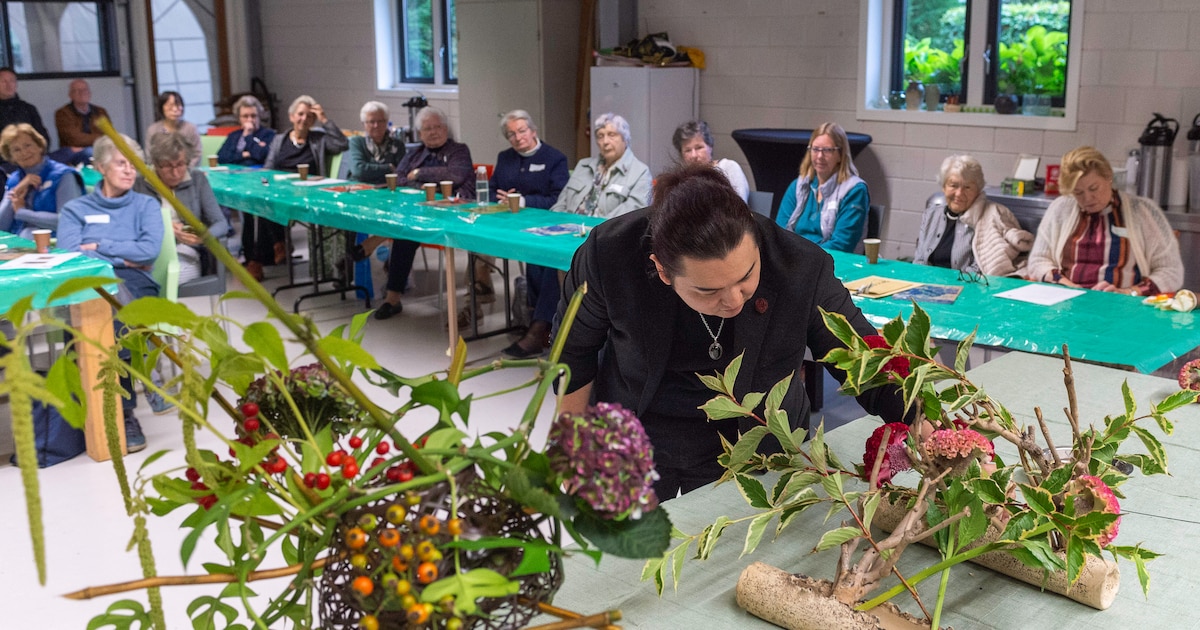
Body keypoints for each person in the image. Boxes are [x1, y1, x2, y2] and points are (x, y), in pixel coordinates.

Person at [556, 164, 910, 497]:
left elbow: (861, 354)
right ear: (663, 271)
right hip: (640, 429)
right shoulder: (610, 253)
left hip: (756, 444)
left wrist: (919, 414)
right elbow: (573, 351)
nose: (733, 300)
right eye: (708, 291)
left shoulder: (799, 265)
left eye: (746, 277)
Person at [57, 134, 163, 453]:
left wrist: (101, 247)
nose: (130, 170)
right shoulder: (76, 209)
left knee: (115, 311)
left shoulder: (146, 205)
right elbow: (71, 253)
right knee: (105, 303)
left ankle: (125, 412)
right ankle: (147, 376)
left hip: (136, 281)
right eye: (121, 163)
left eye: (134, 164)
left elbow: (148, 252)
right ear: (101, 167)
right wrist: (121, 257)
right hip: (89, 282)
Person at [1027, 146, 1184, 295]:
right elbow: (1038, 261)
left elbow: (1170, 272)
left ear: (1108, 177)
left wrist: (1129, 292)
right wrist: (1064, 284)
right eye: (1078, 192)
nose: (1087, 198)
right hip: (1067, 303)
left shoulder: (1142, 211)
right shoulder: (1061, 208)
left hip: (1123, 307)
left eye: (1094, 188)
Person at [374, 106, 474, 320]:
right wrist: (426, 182)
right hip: (420, 214)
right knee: (405, 232)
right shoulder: (414, 152)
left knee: (405, 228)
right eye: (427, 128)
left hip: (455, 213)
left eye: (437, 127)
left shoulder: (458, 150)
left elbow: (456, 175)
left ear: (446, 129)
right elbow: (400, 178)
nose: (433, 132)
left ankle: (369, 246)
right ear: (420, 134)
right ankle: (392, 299)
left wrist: (419, 174)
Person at [489, 109, 570, 357]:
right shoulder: (505, 158)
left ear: (533, 131)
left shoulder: (554, 158)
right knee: (532, 259)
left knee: (545, 260)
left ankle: (539, 328)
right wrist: (502, 200)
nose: (517, 137)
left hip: (549, 225)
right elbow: (493, 191)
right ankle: (538, 323)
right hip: (512, 225)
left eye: (522, 131)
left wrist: (522, 201)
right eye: (511, 134)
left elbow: (559, 198)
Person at [249, 95, 348, 281]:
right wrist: (262, 183)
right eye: (301, 114)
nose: (305, 119)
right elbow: (268, 168)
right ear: (292, 116)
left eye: (310, 116)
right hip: (281, 188)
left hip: (308, 192)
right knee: (263, 203)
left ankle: (263, 256)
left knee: (269, 207)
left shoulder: (318, 139)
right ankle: (277, 245)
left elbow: (343, 143)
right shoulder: (280, 140)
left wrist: (325, 119)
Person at [912, 155, 1034, 276]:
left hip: (967, 288)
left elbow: (982, 268)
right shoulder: (931, 215)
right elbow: (919, 261)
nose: (959, 193)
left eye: (967, 187)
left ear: (978, 190)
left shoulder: (993, 215)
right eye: (953, 185)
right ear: (944, 187)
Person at [134, 132, 231, 284]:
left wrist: (203, 236)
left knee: (170, 277)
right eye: (167, 166)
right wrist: (165, 229)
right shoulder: (139, 184)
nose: (175, 172)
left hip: (186, 251)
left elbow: (221, 223)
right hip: (148, 251)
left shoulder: (197, 180)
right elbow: (130, 225)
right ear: (155, 163)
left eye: (180, 164)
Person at [775, 122, 869, 253]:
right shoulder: (797, 186)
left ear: (840, 155)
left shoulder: (855, 190)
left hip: (832, 263)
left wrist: (800, 256)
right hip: (795, 260)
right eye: (815, 149)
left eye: (827, 150)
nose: (820, 156)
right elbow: (779, 233)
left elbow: (841, 245)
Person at [551, 113, 650, 218]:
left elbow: (631, 217)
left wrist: (597, 230)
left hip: (604, 232)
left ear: (625, 139)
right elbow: (560, 205)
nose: (605, 142)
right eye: (600, 136)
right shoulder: (583, 166)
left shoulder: (640, 172)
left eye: (612, 135)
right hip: (567, 229)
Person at [0, 123, 84, 239]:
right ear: (10, 156)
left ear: (39, 146)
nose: (24, 152)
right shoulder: (15, 179)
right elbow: (1, 226)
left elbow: (68, 220)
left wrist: (22, 213)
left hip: (56, 244)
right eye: (16, 150)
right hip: (21, 244)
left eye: (28, 145)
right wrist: (17, 190)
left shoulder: (63, 175)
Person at [672, 120, 749, 201]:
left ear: (710, 146)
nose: (693, 155)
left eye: (699, 148)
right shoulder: (681, 178)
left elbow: (739, 205)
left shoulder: (728, 167)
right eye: (688, 150)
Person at [0, 67, 49, 174]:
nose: (9, 85)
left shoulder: (28, 109)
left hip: (34, 159)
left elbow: (42, 137)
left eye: (12, 81)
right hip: (6, 163)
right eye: (3, 81)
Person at [345, 101, 406, 184]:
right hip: (359, 189)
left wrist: (370, 170)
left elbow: (401, 173)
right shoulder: (357, 142)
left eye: (380, 121)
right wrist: (389, 168)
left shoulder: (397, 145)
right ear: (364, 124)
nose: (376, 125)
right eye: (372, 121)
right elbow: (358, 170)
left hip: (386, 191)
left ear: (387, 122)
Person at [51, 79, 109, 166]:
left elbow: (108, 135)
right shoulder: (62, 113)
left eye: (84, 90)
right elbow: (74, 139)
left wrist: (96, 141)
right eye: (77, 91)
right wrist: (99, 138)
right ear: (70, 95)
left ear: (90, 93)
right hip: (72, 152)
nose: (82, 93)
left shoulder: (100, 112)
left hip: (98, 148)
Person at [146, 91, 202, 167]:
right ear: (161, 108)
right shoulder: (153, 130)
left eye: (178, 105)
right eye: (170, 106)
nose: (175, 109)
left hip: (187, 171)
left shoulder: (191, 128)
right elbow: (149, 156)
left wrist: (185, 169)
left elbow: (197, 154)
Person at [216, 95, 275, 167]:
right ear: (239, 118)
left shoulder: (268, 134)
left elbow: (261, 155)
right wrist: (245, 154)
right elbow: (221, 157)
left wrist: (248, 136)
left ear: (259, 116)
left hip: (255, 173)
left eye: (253, 116)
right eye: (245, 116)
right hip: (233, 173)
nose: (250, 120)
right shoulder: (234, 135)